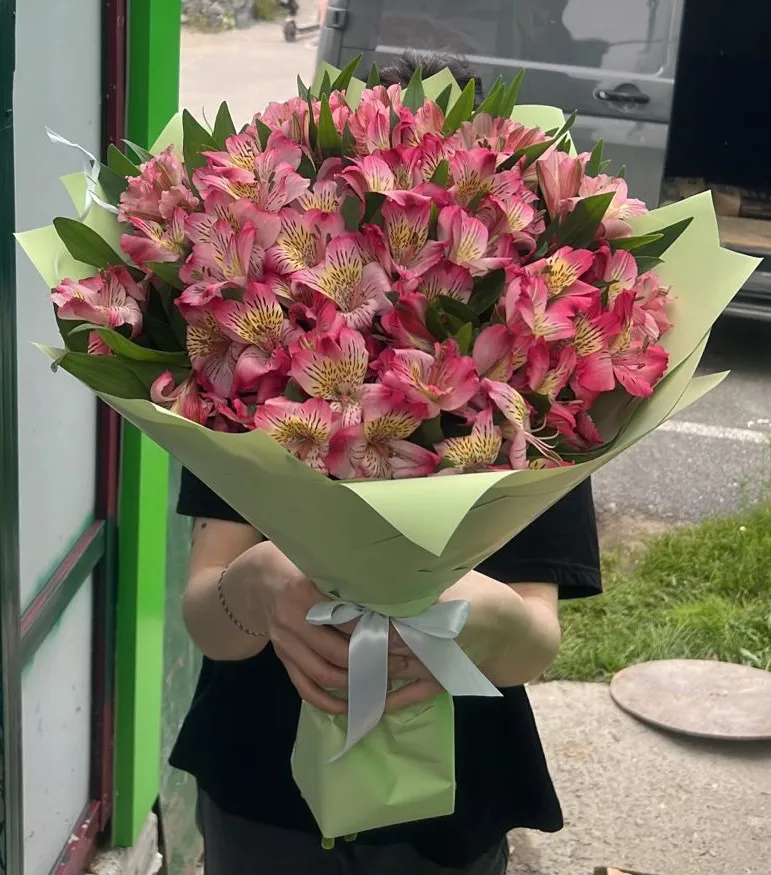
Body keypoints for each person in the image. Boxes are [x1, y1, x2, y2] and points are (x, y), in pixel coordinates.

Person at [170, 52, 603, 875]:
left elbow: (532, 643)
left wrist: (474, 610)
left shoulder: (528, 398)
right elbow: (208, 618)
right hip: (261, 783)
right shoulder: (241, 389)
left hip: (452, 797)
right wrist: (257, 585)